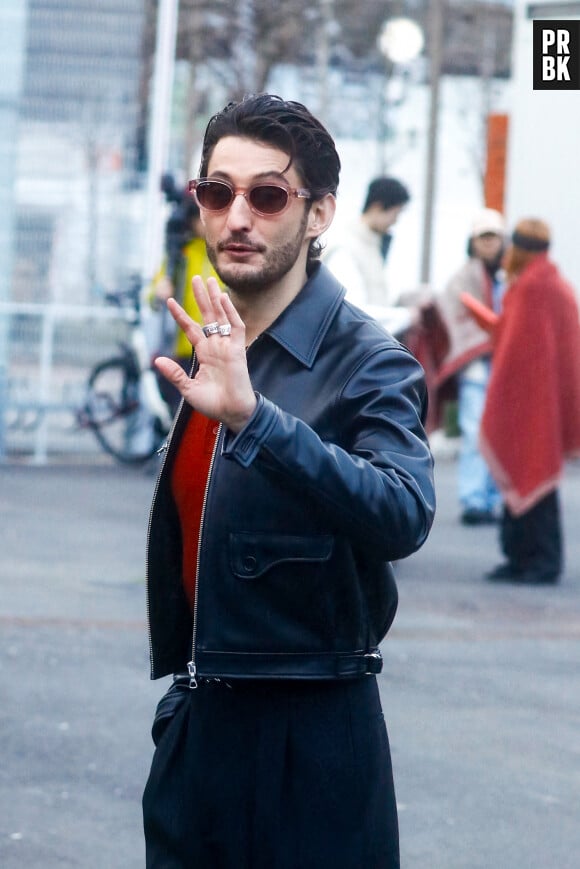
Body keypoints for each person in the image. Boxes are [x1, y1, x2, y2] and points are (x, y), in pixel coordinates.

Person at [142, 93, 435, 868]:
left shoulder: (368, 360)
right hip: (200, 731)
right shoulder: (219, 342)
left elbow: (405, 510)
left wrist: (258, 420)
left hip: (312, 743)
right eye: (217, 192)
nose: (237, 216)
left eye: (267, 195)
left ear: (319, 213)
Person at [480, 218, 580, 585]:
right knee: (534, 478)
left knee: (530, 472)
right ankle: (524, 559)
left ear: (518, 249)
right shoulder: (551, 283)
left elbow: (524, 355)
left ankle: (537, 561)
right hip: (541, 400)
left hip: (531, 402)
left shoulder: (534, 288)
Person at [435, 208, 506, 525]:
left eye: (494, 237)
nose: (489, 244)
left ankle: (495, 498)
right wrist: (488, 337)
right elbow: (454, 320)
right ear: (473, 241)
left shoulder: (507, 276)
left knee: (502, 434)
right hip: (476, 367)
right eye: (483, 237)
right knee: (476, 431)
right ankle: (474, 499)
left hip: (506, 368)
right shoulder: (462, 278)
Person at [149, 191, 223, 410]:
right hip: (182, 346)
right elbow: (154, 293)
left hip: (215, 346)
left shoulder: (222, 253)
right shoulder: (182, 254)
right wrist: (159, 291)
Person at [323, 175, 410, 308]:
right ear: (377, 207)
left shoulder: (371, 245)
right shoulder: (345, 247)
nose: (395, 221)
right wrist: (406, 316)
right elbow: (354, 308)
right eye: (395, 214)